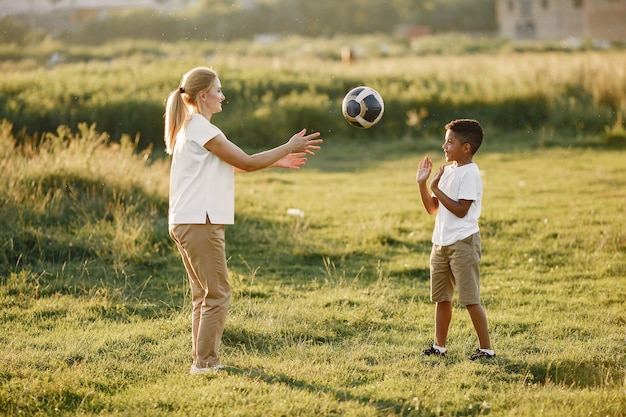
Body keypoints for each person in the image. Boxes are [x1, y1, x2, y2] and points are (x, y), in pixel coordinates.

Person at [164, 67, 323, 374]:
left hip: (186, 220)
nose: (223, 96)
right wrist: (288, 146)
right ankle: (206, 364)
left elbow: (229, 166)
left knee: (204, 295)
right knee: (218, 294)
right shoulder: (201, 128)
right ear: (203, 96)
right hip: (200, 222)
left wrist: (276, 160)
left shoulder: (191, 127)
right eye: (219, 90)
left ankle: (202, 361)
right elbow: (247, 162)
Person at [415, 118, 494, 361]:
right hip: (441, 243)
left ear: (466, 147)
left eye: (450, 142)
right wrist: (423, 183)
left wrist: (437, 188)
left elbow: (461, 210)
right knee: (442, 298)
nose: (444, 147)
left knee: (469, 299)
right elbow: (433, 209)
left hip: (463, 242)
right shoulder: (447, 172)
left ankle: (486, 350)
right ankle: (439, 347)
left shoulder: (470, 173)